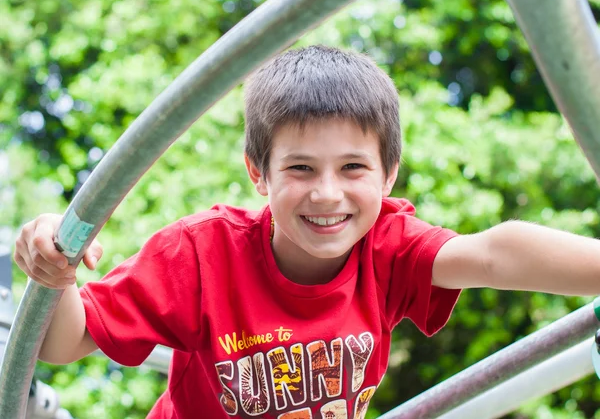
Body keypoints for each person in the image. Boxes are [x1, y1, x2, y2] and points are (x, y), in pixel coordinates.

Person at [13, 45, 600, 419]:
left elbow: (496, 254)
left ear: (388, 174)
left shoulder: (387, 247)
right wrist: (55, 268)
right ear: (258, 173)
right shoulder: (201, 254)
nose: (326, 193)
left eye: (353, 168)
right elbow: (66, 343)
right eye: (300, 168)